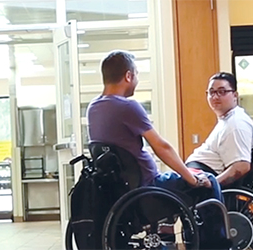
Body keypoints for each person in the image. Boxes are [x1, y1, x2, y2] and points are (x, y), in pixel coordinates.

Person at [86, 50, 231, 249]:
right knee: (209, 181)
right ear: (128, 76)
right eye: (136, 74)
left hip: (122, 191)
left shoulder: (93, 109)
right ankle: (216, 246)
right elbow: (162, 147)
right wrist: (190, 177)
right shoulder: (127, 107)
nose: (137, 80)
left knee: (192, 180)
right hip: (148, 191)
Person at [185, 72, 253, 187]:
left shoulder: (236, 124)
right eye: (212, 92)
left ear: (235, 95)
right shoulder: (226, 120)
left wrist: (212, 184)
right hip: (196, 175)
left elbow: (241, 166)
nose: (215, 97)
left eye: (222, 92)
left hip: (201, 184)